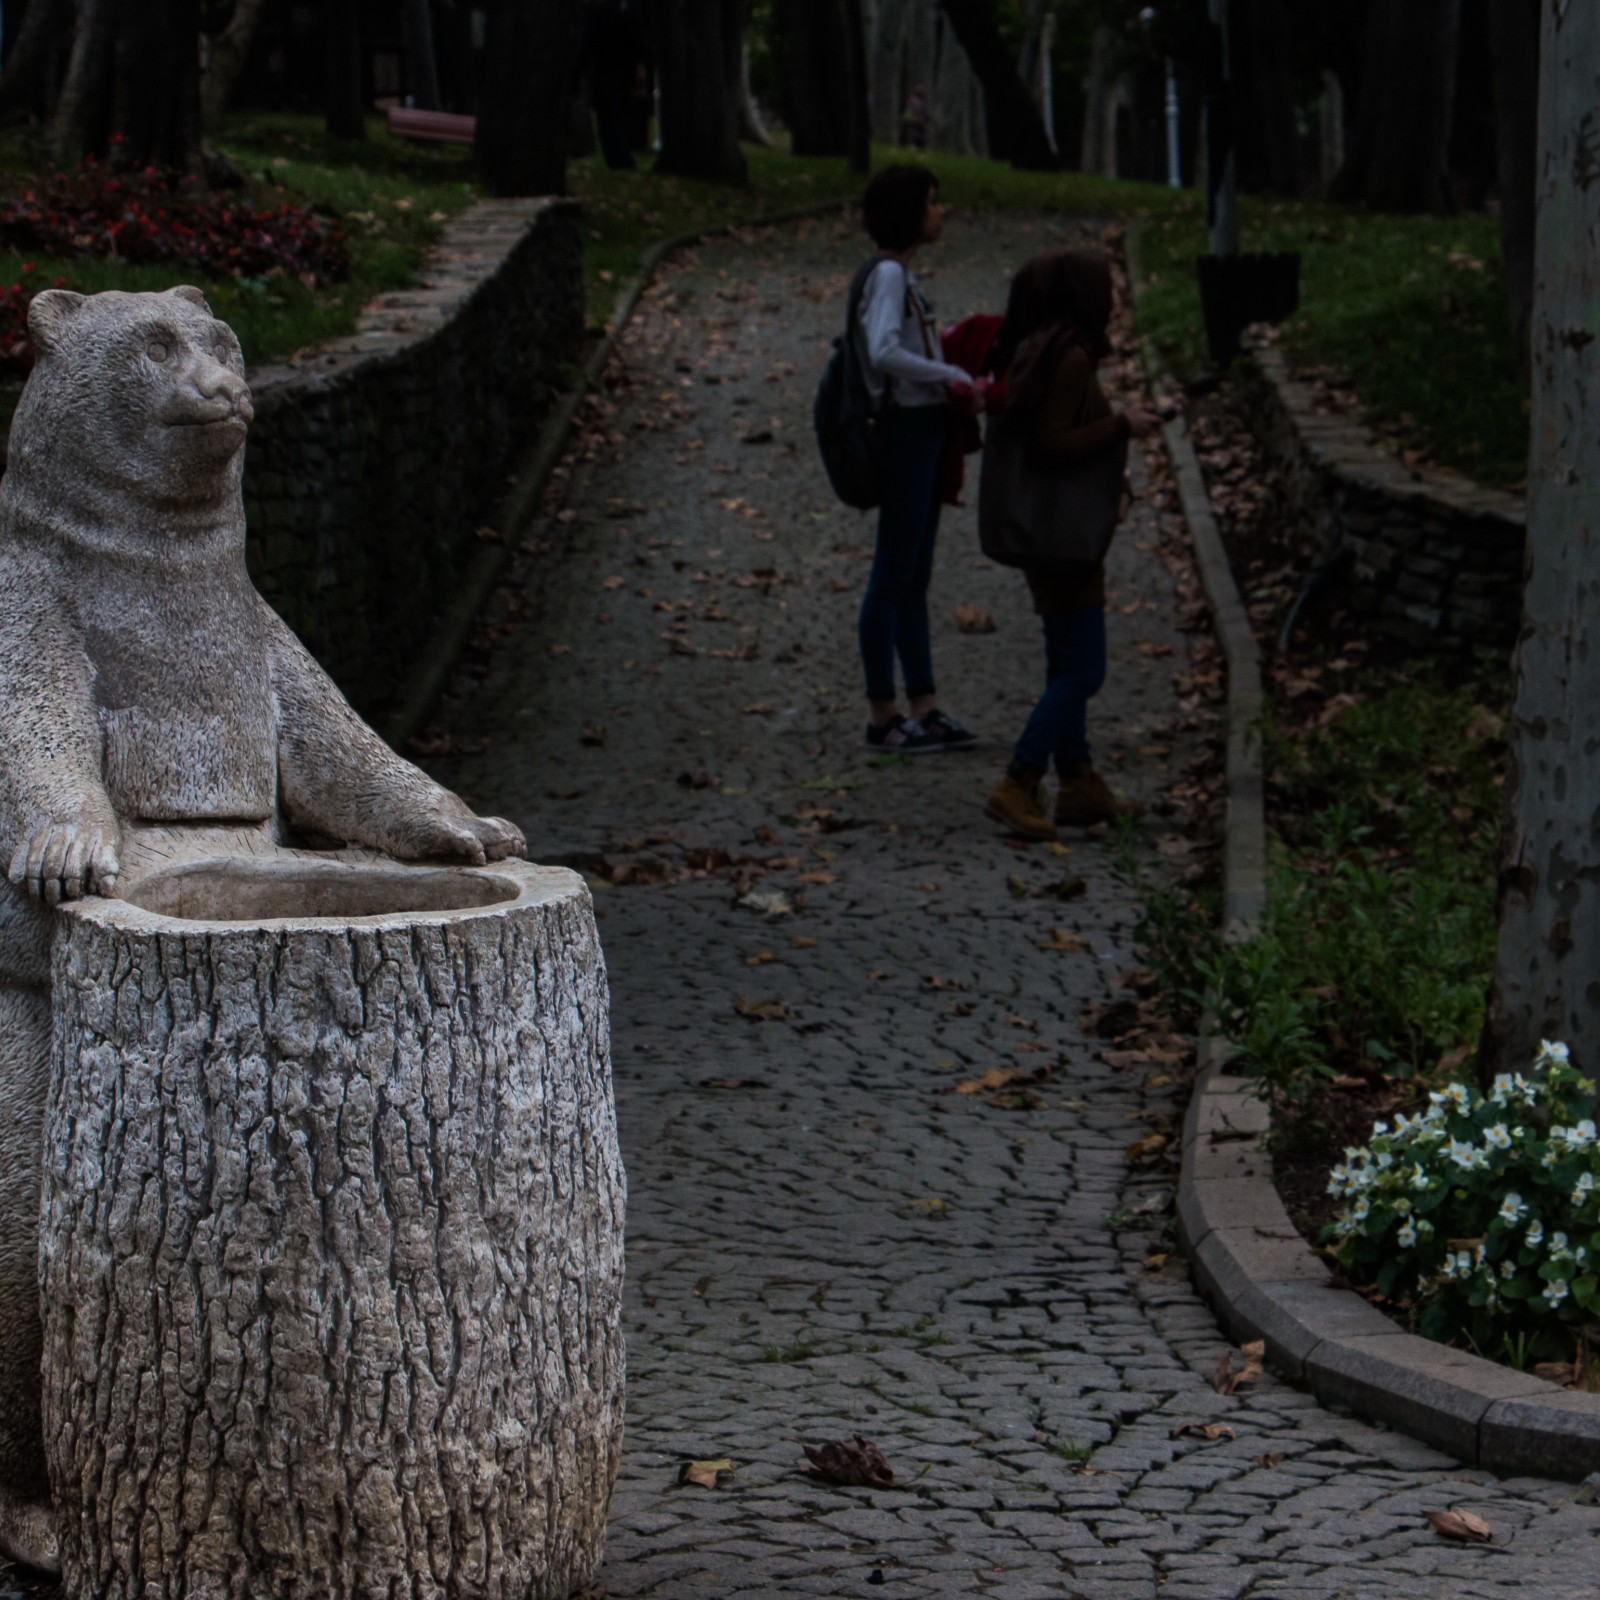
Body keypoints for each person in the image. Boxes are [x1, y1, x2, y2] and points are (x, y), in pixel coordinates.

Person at [981, 251, 1159, 839]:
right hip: (1063, 534)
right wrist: (1121, 427)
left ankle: (1078, 783)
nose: (1111, 297)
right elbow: (1052, 444)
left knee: (1065, 658)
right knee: (1084, 670)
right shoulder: (1069, 357)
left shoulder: (1042, 347)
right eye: (1103, 287)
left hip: (1049, 533)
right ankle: (1020, 778)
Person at [855, 165, 984, 754]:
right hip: (908, 431)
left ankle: (923, 705)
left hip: (926, 430)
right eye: (933, 203)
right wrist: (951, 374)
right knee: (893, 575)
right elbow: (884, 350)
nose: (940, 212)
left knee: (914, 577)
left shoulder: (902, 277)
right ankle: (884, 713)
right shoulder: (887, 275)